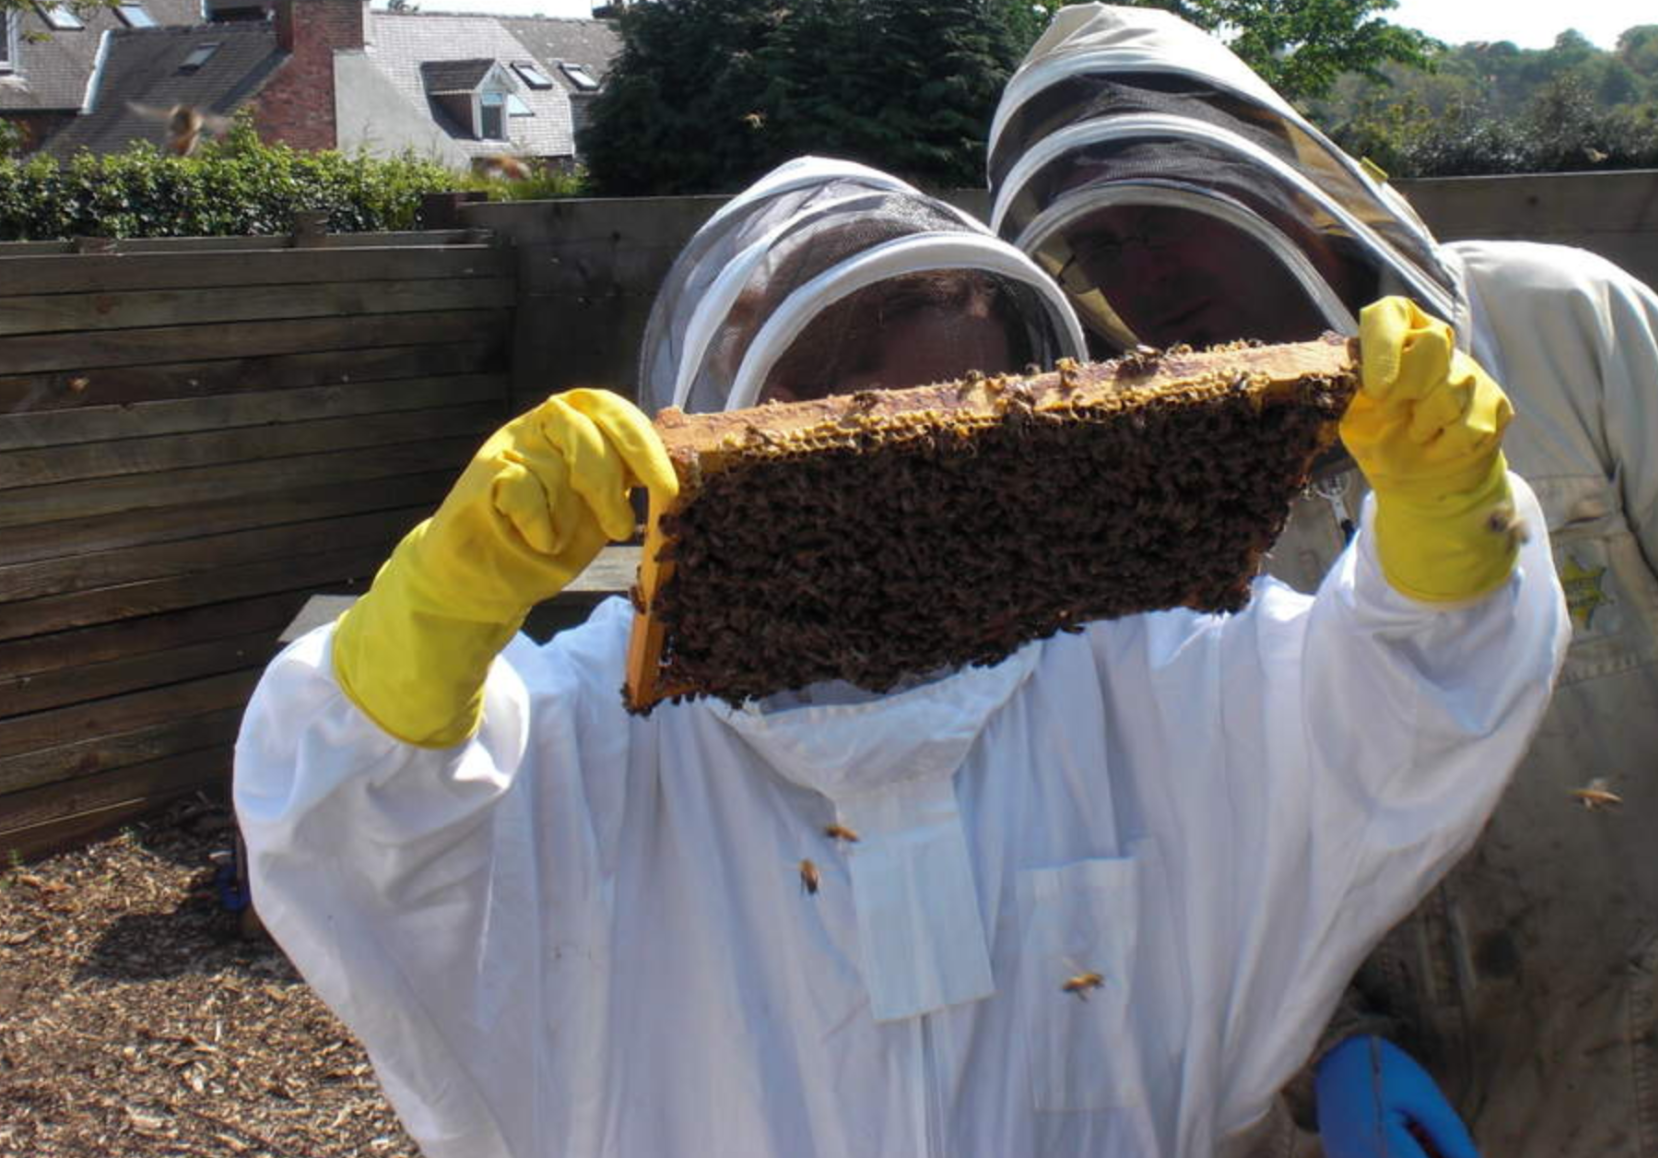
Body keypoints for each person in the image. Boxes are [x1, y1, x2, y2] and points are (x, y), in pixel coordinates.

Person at [235, 156, 1566, 1158]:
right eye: (860, 441)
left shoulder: (1135, 673)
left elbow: (1397, 711)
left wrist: (1446, 534)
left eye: (966, 432)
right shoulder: (593, 729)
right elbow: (356, 833)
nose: (925, 483)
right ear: (735, 427)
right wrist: (430, 626)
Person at [985, 5, 1658, 1158]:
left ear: (1277, 178)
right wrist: (1324, 1047)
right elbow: (1185, 816)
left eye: (1170, 213)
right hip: (1409, 1108)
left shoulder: (1577, 330)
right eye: (1107, 246)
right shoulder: (1153, 487)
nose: (1148, 273)